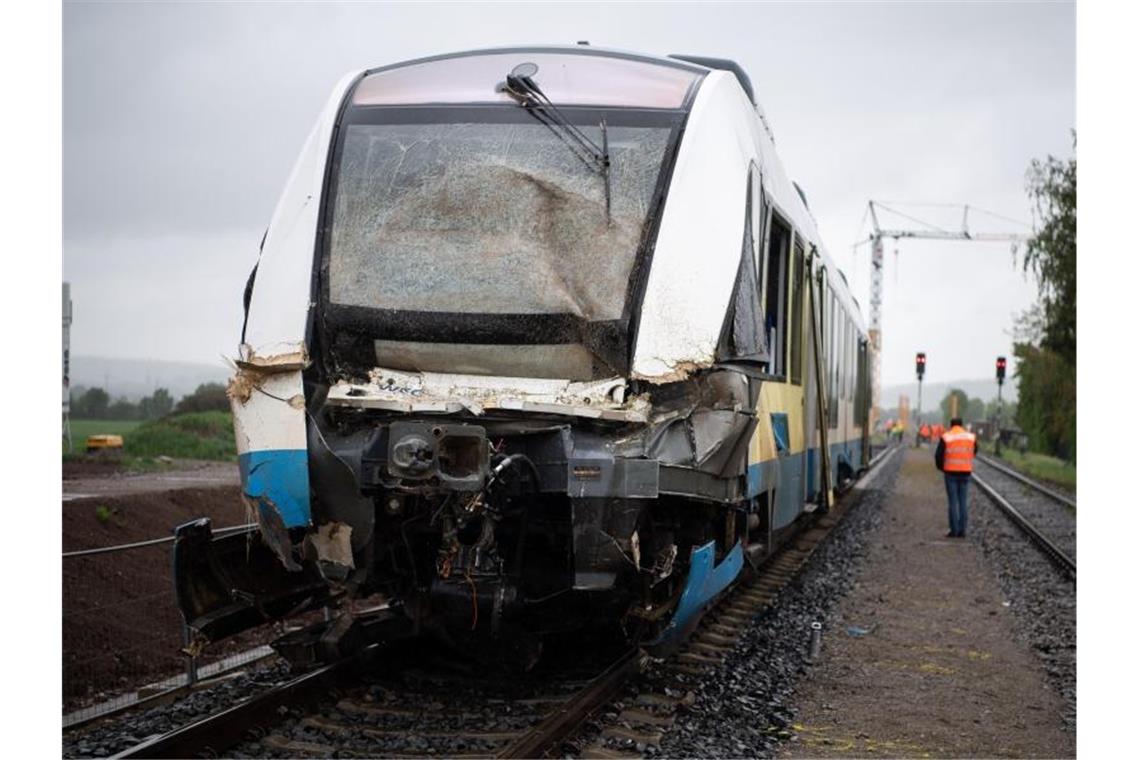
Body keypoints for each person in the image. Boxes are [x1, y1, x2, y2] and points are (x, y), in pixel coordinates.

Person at [935, 417, 978, 538]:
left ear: (951, 425)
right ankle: (962, 531)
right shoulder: (970, 437)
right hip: (965, 472)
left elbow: (938, 456)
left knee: (953, 502)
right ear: (961, 425)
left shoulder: (946, 437)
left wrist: (942, 468)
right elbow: (975, 450)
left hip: (950, 473)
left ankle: (954, 531)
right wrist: (966, 460)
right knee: (963, 501)